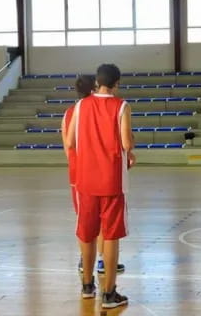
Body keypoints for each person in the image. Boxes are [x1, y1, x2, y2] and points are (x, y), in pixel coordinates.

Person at [65, 64, 135, 309]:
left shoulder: (81, 106)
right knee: (111, 235)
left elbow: (70, 140)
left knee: (87, 233)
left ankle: (87, 286)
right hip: (112, 180)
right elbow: (126, 142)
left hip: (85, 180)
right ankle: (109, 294)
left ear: (97, 81)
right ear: (117, 83)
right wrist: (131, 149)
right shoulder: (122, 106)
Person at [61, 75, 125, 275]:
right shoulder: (83, 110)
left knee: (88, 221)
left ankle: (98, 260)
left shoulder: (71, 112)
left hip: (78, 172)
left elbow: (67, 145)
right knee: (92, 223)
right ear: (93, 90)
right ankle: (93, 260)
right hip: (90, 173)